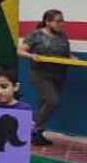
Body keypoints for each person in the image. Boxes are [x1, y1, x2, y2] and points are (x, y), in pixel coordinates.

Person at [17, 9, 71, 146]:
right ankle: (28, 128)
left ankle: (37, 134)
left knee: (44, 104)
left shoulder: (62, 36)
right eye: (58, 21)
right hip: (40, 74)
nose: (61, 24)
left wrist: (74, 60)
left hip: (59, 75)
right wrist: (32, 56)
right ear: (47, 22)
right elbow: (20, 51)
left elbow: (66, 55)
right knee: (53, 101)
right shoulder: (36, 35)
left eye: (62, 21)